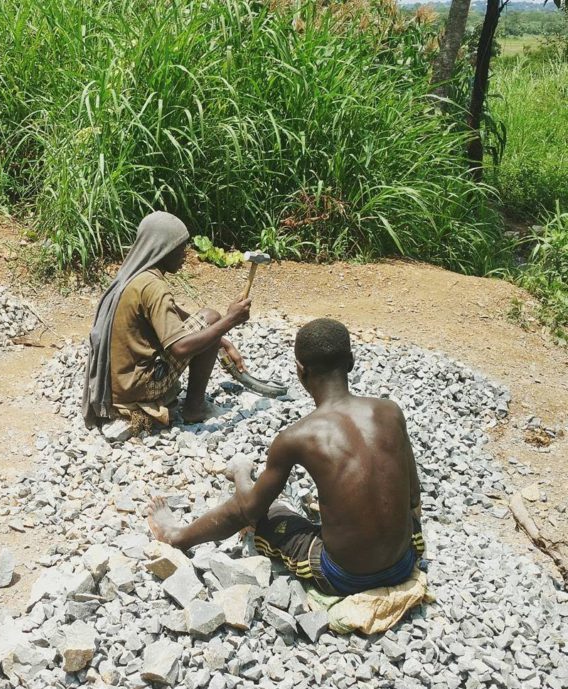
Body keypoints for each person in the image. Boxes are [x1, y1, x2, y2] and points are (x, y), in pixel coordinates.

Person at [148, 318, 425, 596]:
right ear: (351, 362)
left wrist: (242, 476)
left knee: (272, 515)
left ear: (300, 371)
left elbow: (247, 511)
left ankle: (177, 536)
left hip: (345, 576)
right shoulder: (391, 411)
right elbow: (413, 496)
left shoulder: (297, 436)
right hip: (404, 561)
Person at [82, 211, 251, 427]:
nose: (185, 255)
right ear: (164, 250)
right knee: (212, 319)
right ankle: (194, 407)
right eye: (180, 249)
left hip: (116, 382)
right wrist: (229, 320)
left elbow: (173, 314)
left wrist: (221, 341)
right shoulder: (154, 287)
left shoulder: (132, 275)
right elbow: (179, 348)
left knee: (209, 319)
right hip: (137, 386)